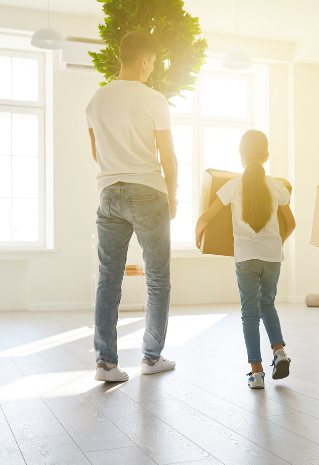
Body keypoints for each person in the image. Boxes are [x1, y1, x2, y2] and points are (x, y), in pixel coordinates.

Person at [86, 31, 178, 382]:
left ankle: (105, 364)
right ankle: (151, 358)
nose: (152, 69)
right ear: (143, 60)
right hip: (148, 192)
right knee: (157, 279)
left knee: (108, 280)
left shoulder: (95, 101)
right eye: (153, 62)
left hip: (108, 193)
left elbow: (96, 153)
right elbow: (168, 157)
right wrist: (174, 195)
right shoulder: (154, 99)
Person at [195, 130, 295, 389]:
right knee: (268, 304)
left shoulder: (232, 186)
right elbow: (291, 223)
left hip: (246, 259)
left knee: (250, 314)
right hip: (272, 259)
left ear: (240, 156)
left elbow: (206, 217)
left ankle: (257, 373)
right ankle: (280, 352)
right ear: (267, 155)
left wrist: (198, 233)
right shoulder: (277, 186)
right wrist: (276, 244)